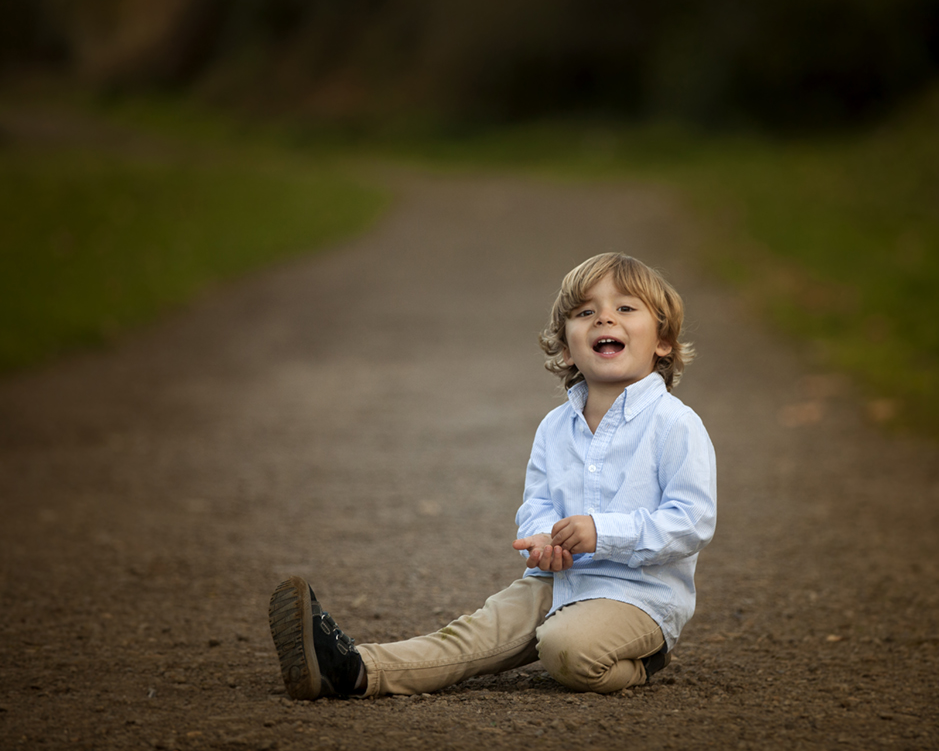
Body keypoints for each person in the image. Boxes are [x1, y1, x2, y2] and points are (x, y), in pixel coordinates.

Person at [268, 252, 717, 699]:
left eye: (624, 308)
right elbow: (538, 503)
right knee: (477, 632)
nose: (604, 318)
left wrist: (603, 532)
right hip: (558, 582)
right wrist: (543, 538)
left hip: (638, 598)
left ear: (663, 341)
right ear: (565, 346)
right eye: (586, 312)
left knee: (565, 647)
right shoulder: (554, 428)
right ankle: (354, 668)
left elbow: (693, 519)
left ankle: (642, 661)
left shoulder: (675, 425)